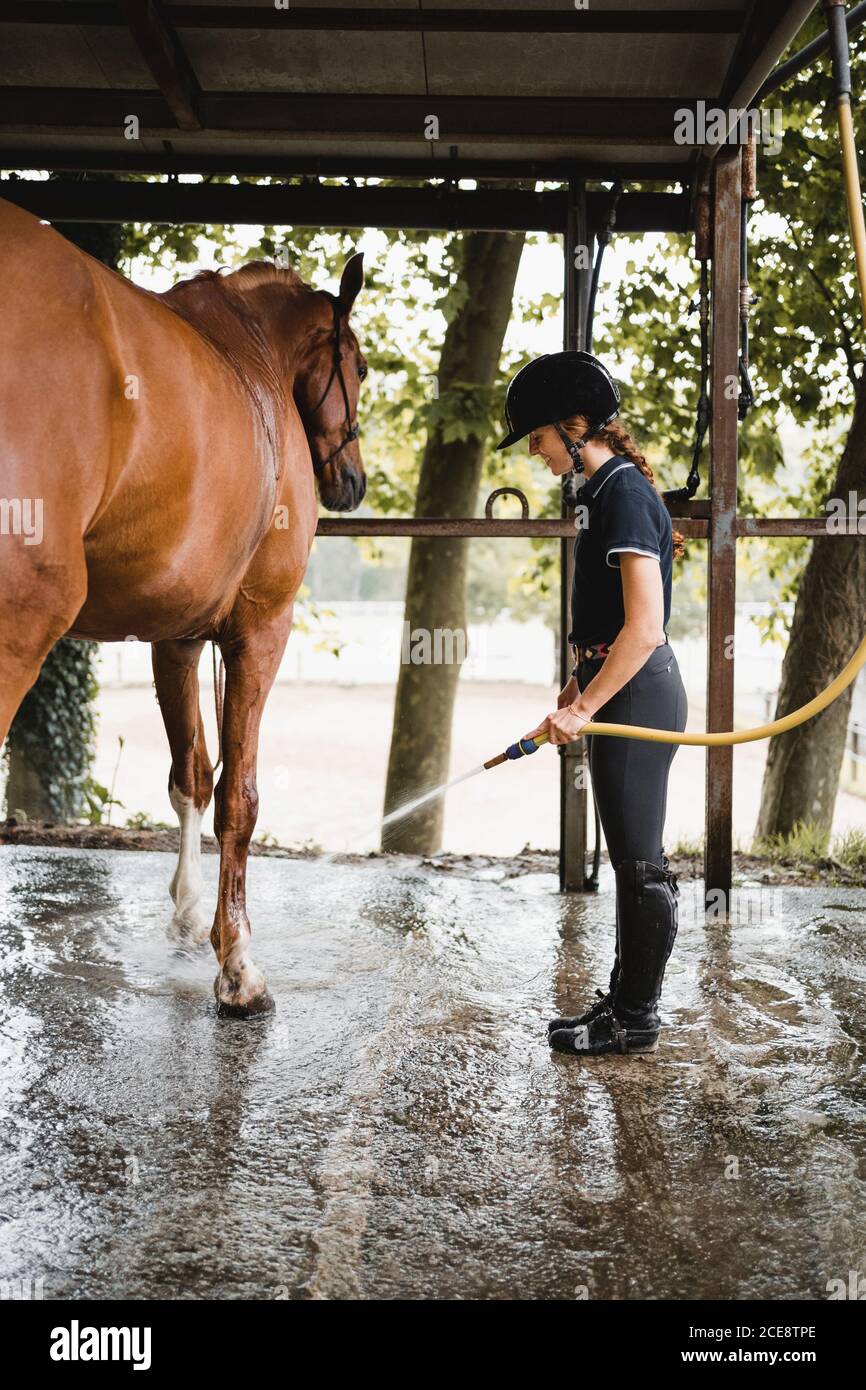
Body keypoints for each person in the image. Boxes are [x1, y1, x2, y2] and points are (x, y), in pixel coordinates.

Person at [496, 352, 688, 1057]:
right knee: (628, 861)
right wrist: (579, 686)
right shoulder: (601, 491)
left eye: (540, 439)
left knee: (640, 865)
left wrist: (584, 708)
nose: (538, 453)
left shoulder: (626, 495)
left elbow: (646, 628)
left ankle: (635, 1019)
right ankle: (622, 1001)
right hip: (617, 689)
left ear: (574, 427)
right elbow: (613, 628)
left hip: (640, 694)